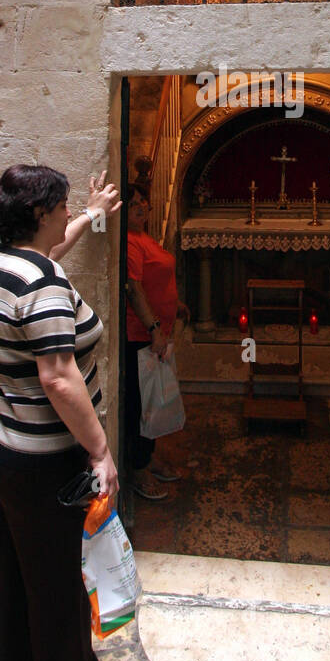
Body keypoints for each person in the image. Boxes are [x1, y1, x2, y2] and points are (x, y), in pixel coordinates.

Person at [0, 163, 145, 661]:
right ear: (42, 214)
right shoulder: (42, 287)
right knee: (59, 595)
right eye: (66, 207)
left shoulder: (1, 262)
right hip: (43, 465)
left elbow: (50, 256)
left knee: (9, 583)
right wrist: (100, 452)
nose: (69, 214)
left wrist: (95, 213)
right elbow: (58, 377)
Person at [125, 181, 190, 501]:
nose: (141, 206)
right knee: (141, 405)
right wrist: (154, 328)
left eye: (144, 201)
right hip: (140, 335)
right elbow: (134, 289)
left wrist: (174, 305)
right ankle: (137, 470)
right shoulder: (129, 242)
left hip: (154, 333)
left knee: (153, 402)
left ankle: (147, 459)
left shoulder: (143, 237)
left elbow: (155, 280)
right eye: (134, 202)